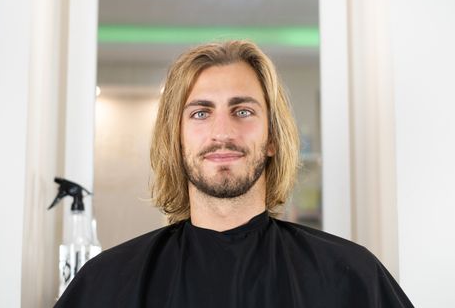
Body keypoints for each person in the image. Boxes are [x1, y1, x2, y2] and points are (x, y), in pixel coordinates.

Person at [55, 40, 413, 307]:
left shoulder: (350, 276)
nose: (222, 132)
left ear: (272, 137)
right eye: (200, 113)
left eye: (242, 111)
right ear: (175, 140)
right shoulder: (106, 283)